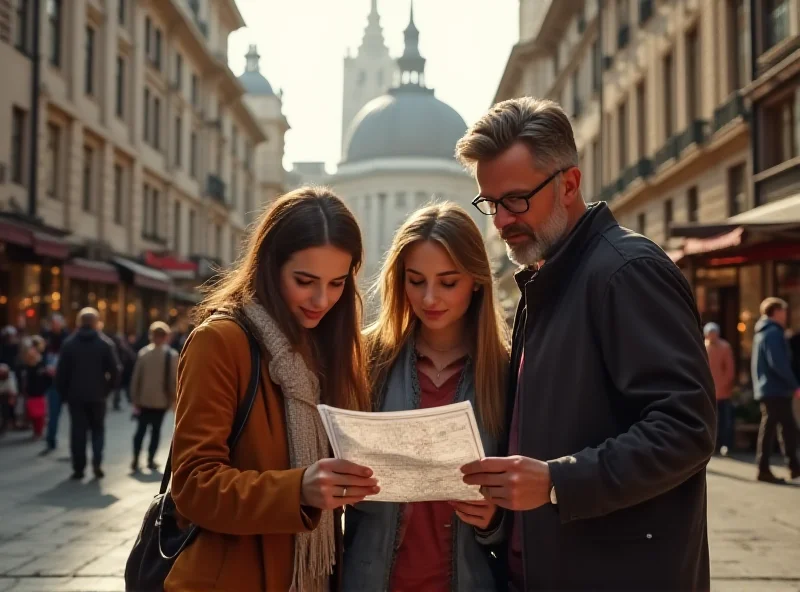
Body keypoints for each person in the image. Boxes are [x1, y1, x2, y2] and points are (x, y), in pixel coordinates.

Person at [454, 97, 716, 590]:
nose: (501, 221)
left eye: (515, 199)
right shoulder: (547, 278)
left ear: (568, 184)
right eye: (490, 203)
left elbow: (687, 429)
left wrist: (558, 482)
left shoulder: (626, 271)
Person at [165, 187, 377, 592]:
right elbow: (192, 484)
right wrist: (298, 489)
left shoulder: (327, 348)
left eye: (336, 283)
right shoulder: (221, 341)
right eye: (304, 280)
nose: (322, 299)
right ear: (270, 265)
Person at [343, 203, 510, 591]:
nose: (430, 298)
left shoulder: (506, 371)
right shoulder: (367, 359)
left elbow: (531, 496)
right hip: (369, 579)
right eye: (416, 281)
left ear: (477, 281)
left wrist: (497, 519)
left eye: (448, 282)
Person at [55, 308, 120, 480]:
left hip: (75, 397)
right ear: (96, 323)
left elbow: (61, 373)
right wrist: (106, 390)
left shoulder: (69, 344)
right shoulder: (105, 344)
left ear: (79, 322)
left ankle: (79, 468)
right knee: (98, 430)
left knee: (78, 432)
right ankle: (97, 462)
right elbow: (115, 371)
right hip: (98, 396)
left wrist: (64, 394)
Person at [752, 297, 800, 484]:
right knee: (777, 427)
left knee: (783, 427)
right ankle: (765, 468)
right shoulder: (772, 333)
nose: (786, 315)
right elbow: (778, 363)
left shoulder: (764, 332)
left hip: (770, 388)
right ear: (776, 312)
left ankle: (792, 466)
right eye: (784, 311)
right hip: (775, 388)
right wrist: (794, 384)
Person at [129, 321, 178, 472]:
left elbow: (136, 378)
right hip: (161, 401)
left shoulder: (144, 353)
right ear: (166, 337)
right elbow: (173, 381)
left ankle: (136, 459)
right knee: (155, 431)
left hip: (143, 400)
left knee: (141, 430)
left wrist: (135, 398)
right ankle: (150, 460)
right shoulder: (172, 355)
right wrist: (174, 401)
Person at [704, 322, 736, 456]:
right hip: (708, 391)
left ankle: (726, 445)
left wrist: (725, 385)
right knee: (710, 421)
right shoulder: (703, 346)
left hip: (722, 391)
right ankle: (713, 446)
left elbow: (730, 370)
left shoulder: (724, 347)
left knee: (725, 421)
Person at [19, 337, 51, 440]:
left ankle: (38, 431)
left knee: (38, 414)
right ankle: (37, 431)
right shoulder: (29, 365)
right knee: (35, 413)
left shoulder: (40, 363)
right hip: (33, 391)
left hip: (38, 391)